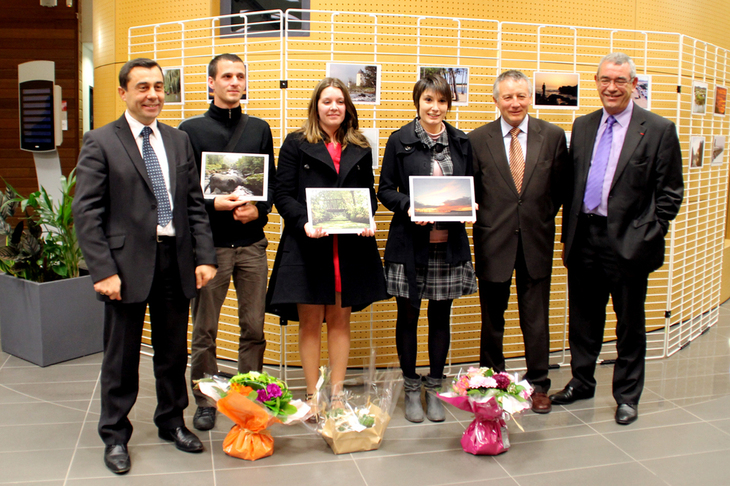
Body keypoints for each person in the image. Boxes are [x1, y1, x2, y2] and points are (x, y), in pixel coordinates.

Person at [72, 58, 217, 474]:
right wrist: (102, 271)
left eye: (158, 87)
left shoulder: (177, 140)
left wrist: (204, 256)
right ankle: (114, 435)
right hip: (124, 265)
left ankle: (171, 422)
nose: (153, 95)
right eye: (142, 87)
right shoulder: (100, 141)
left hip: (175, 260)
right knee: (121, 357)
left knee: (172, 353)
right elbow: (87, 213)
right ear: (123, 93)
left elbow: (194, 205)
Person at [549, 53, 684, 425]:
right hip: (585, 237)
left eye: (620, 81)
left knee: (629, 323)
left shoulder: (657, 129)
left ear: (633, 85)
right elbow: (574, 184)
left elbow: (670, 192)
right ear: (596, 81)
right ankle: (582, 381)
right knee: (583, 318)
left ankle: (627, 395)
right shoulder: (584, 125)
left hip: (628, 243)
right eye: (606, 79)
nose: (612, 87)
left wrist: (649, 232)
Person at [266, 77, 388, 402]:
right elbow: (282, 194)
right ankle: (311, 396)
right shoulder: (295, 143)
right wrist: (304, 222)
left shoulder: (360, 145)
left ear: (347, 107)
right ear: (316, 107)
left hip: (348, 247)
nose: (333, 107)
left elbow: (368, 195)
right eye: (326, 101)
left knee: (339, 321)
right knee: (309, 323)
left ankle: (335, 396)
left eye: (339, 101)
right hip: (308, 244)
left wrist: (367, 218)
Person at [178, 53, 275, 432]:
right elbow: (184, 193)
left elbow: (267, 190)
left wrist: (259, 213)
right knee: (204, 330)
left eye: (240, 76)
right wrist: (213, 203)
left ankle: (247, 397)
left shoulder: (259, 129)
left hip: (252, 245)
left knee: (254, 327)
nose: (234, 82)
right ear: (211, 82)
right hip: (210, 248)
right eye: (227, 76)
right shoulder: (190, 131)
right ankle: (205, 398)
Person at [378, 75, 477, 423]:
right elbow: (385, 189)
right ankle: (409, 387)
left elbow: (473, 185)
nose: (435, 108)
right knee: (408, 316)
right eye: (428, 101)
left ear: (449, 104)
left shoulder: (462, 142)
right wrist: (410, 206)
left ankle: (434, 386)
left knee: (440, 316)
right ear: (417, 102)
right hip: (410, 245)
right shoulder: (399, 140)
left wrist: (471, 205)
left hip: (448, 246)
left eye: (442, 101)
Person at [468, 70, 569, 414]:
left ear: (531, 97)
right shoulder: (477, 140)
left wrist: (534, 219)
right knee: (492, 319)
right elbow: (472, 193)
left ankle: (539, 384)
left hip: (536, 242)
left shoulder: (553, 137)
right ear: (495, 100)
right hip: (493, 241)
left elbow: (559, 191)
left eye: (521, 96)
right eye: (507, 97)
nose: (515, 103)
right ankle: (489, 381)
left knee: (535, 318)